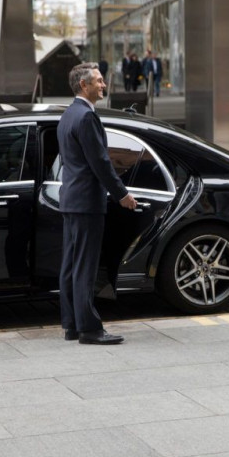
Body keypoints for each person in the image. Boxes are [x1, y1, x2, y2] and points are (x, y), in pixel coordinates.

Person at [57, 62, 137, 345]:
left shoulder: (68, 114)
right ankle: (89, 330)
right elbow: (100, 163)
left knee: (70, 266)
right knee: (85, 268)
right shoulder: (86, 117)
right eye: (99, 81)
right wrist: (122, 194)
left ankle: (72, 325)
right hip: (87, 203)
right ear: (84, 85)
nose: (103, 85)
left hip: (71, 200)